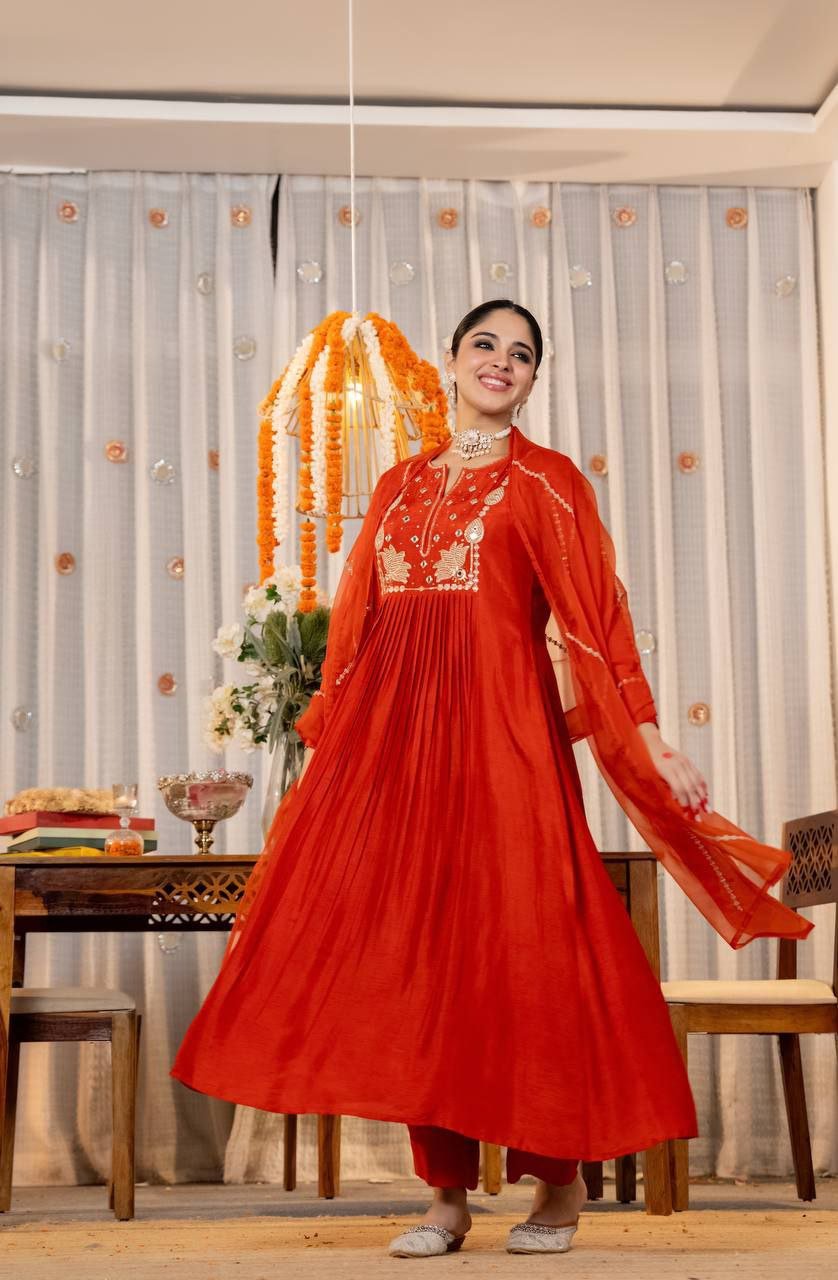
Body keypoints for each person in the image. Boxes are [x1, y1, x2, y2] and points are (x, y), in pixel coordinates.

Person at [172, 300, 811, 1258]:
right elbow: (356, 628)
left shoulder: (547, 481)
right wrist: (334, 744)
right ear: (451, 360)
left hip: (505, 742)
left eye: (521, 354)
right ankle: (446, 1199)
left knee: (525, 953)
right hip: (396, 753)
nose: (501, 362)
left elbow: (596, 620)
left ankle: (557, 1184)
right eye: (486, 345)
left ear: (533, 379)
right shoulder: (398, 486)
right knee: (416, 961)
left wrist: (647, 735)